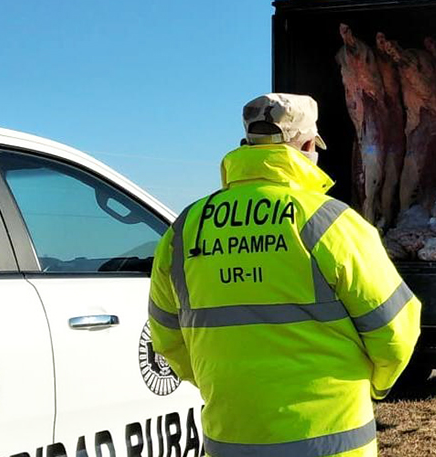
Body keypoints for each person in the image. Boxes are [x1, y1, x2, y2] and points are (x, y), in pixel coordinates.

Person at [148, 93, 421, 457]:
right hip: (332, 443)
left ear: (246, 145)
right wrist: (376, 385)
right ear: (308, 145)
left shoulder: (185, 230)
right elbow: (396, 330)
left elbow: (166, 339)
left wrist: (228, 385)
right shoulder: (331, 223)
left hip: (232, 439)